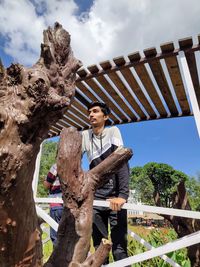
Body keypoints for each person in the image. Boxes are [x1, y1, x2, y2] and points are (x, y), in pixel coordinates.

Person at [82, 101, 130, 264]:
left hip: (115, 197)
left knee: (119, 248)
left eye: (95, 111)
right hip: (96, 198)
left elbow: (122, 161)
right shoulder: (85, 135)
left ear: (106, 116)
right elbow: (73, 160)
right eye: (89, 112)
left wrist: (123, 195)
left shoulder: (113, 131)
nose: (91, 115)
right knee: (99, 245)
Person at [44, 163, 63, 247]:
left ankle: (57, 259)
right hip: (68, 206)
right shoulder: (75, 165)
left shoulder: (57, 166)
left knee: (55, 237)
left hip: (56, 204)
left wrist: (44, 181)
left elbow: (47, 184)